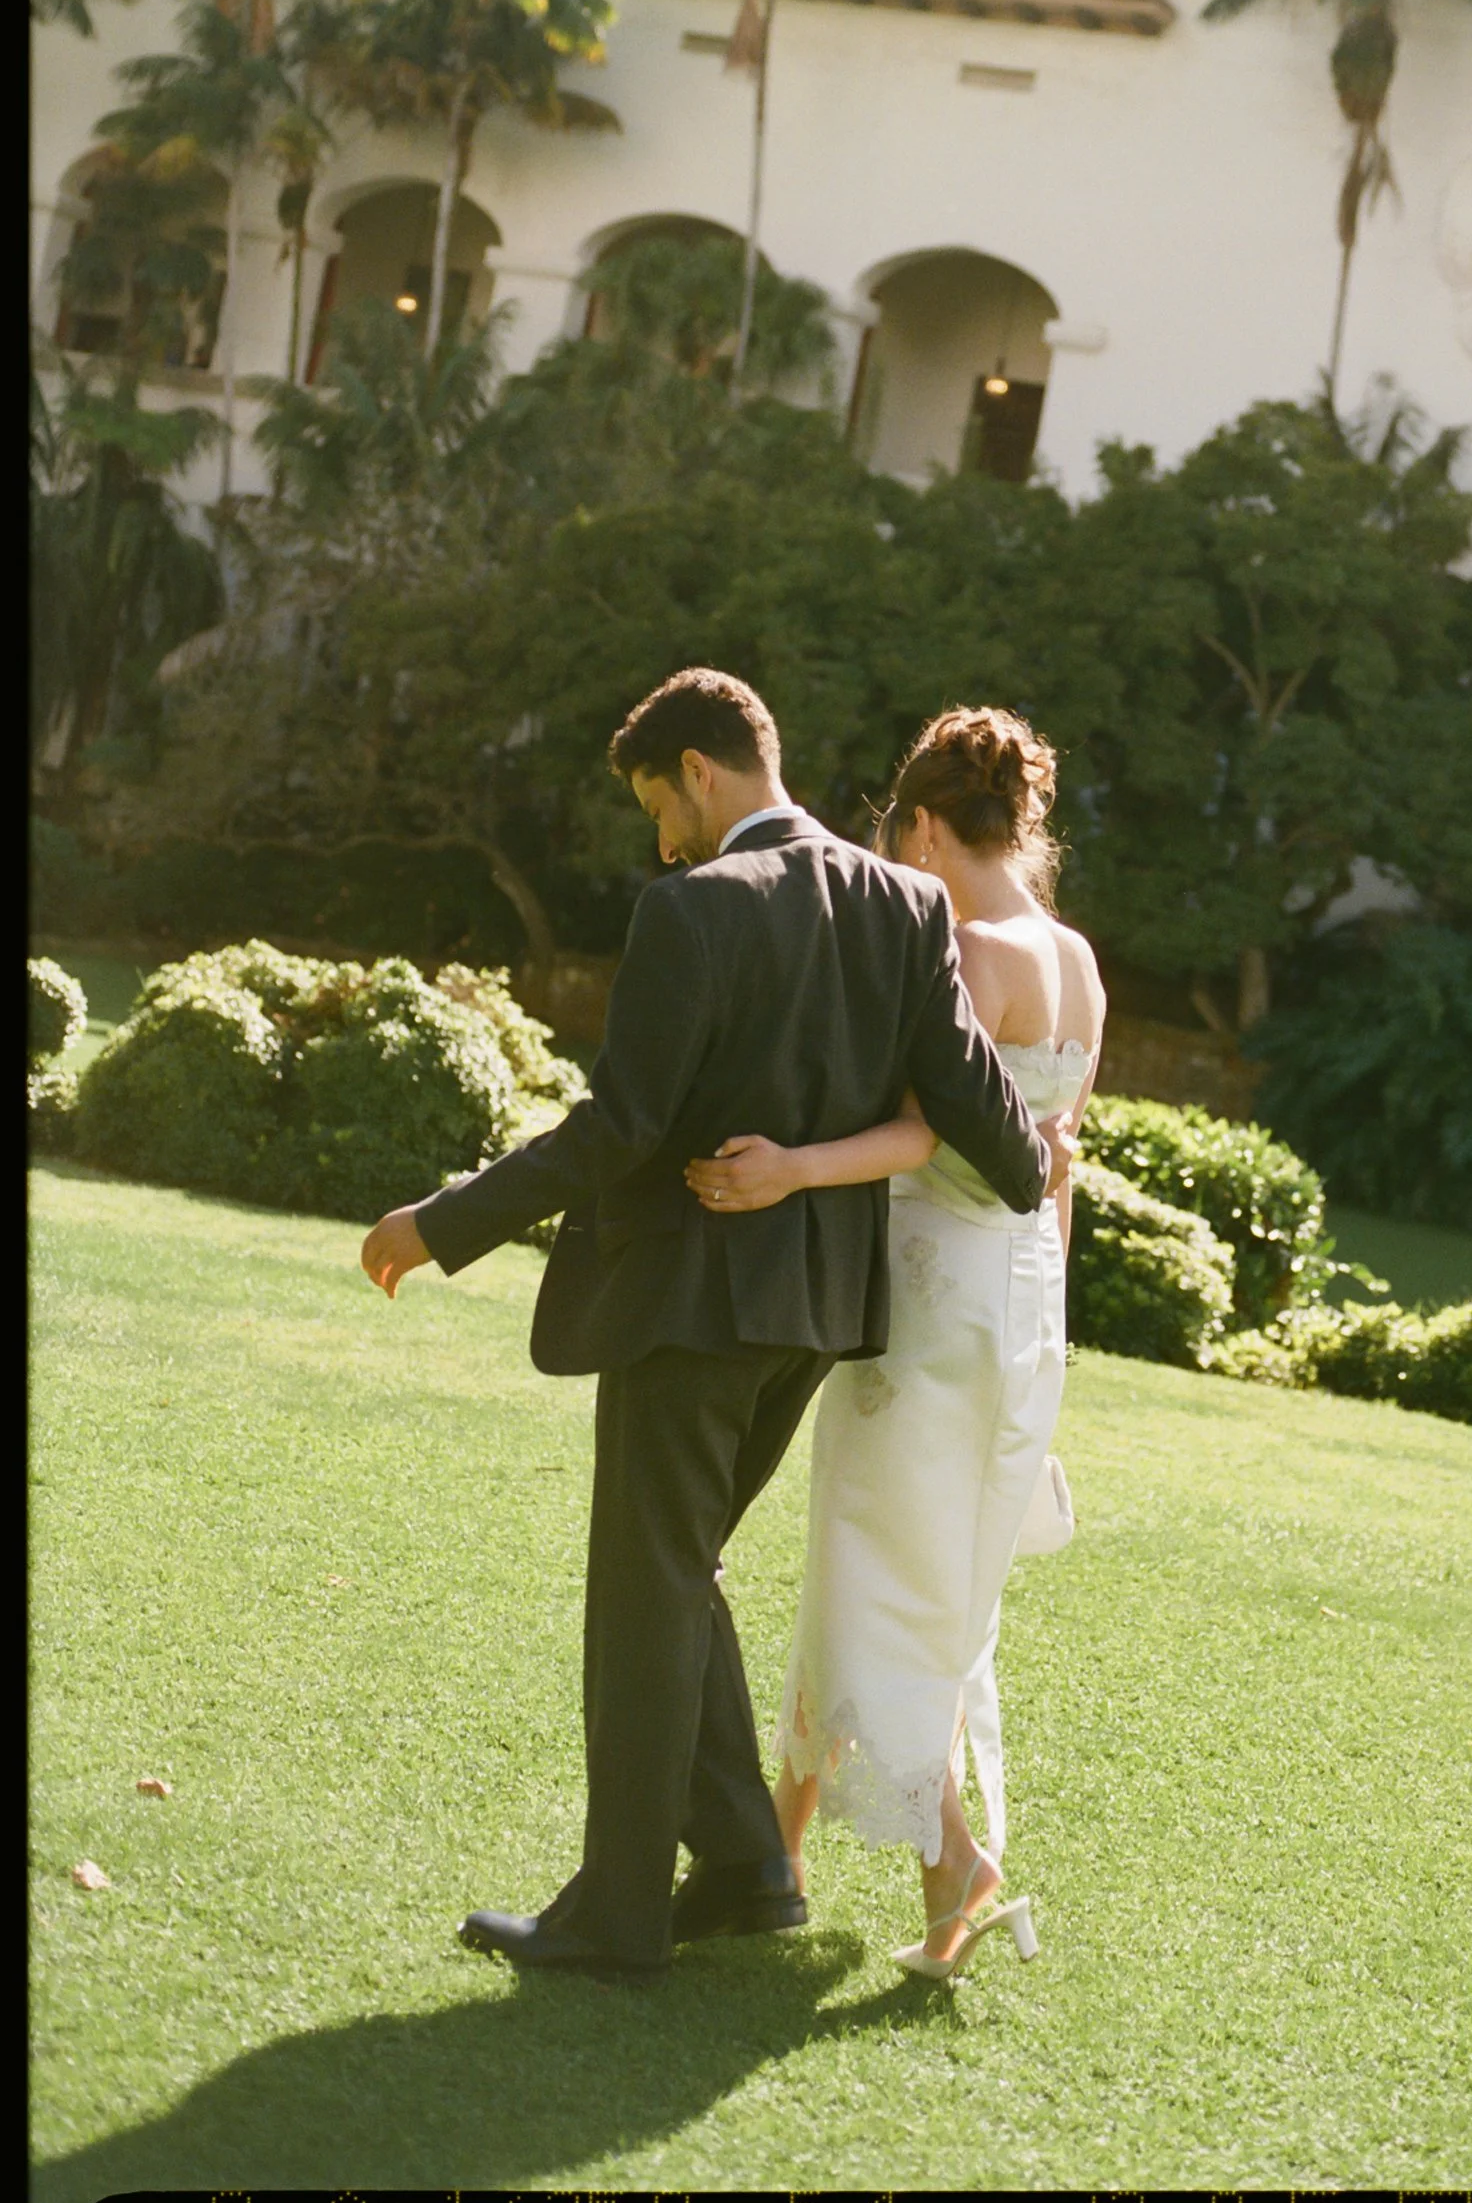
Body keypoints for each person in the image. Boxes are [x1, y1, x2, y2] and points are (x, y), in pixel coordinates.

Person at [357, 667, 1066, 1986]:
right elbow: (1003, 1140)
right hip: (815, 1320)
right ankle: (746, 1868)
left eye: (656, 805)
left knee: (645, 1591)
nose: (660, 839)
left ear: (698, 769)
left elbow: (620, 1127)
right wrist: (1025, 1157)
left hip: (688, 1307)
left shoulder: (693, 908)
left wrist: (441, 1223)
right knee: (681, 1571)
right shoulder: (907, 902)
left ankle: (616, 1918)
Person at [690, 707, 1104, 1981]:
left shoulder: (966, 945)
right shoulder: (1076, 958)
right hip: (1020, 1305)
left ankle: (951, 1862)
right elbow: (1056, 1166)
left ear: (924, 825)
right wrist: (1051, 1324)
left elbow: (931, 1130)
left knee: (879, 1582)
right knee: (896, 1577)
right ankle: (779, 1850)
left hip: (930, 1299)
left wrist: (792, 1167)